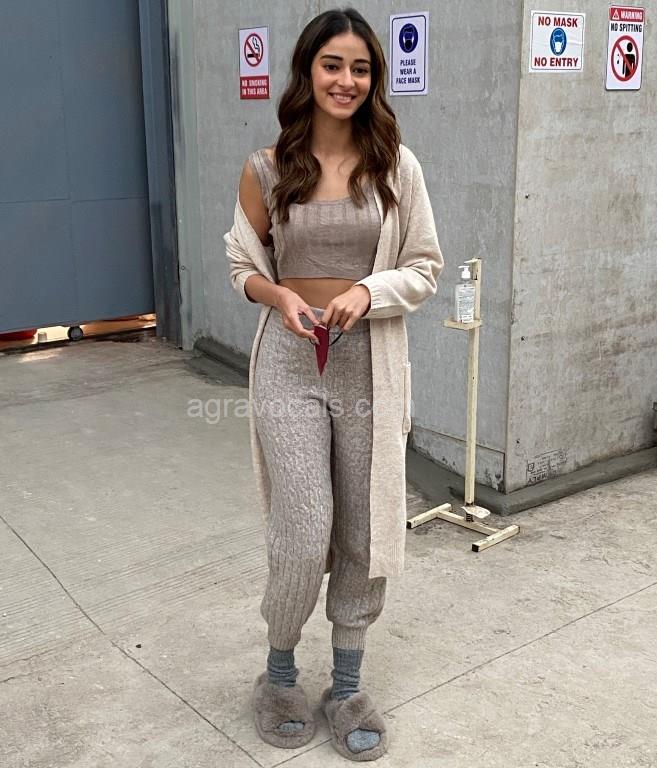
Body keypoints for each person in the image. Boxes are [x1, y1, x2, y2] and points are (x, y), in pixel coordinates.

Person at [224, 7, 443, 761]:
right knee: (303, 525)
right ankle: (279, 672)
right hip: (289, 364)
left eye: (360, 68)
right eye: (331, 65)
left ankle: (345, 685)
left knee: (362, 525)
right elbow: (241, 263)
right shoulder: (266, 168)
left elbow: (424, 267)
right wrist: (278, 295)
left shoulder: (397, 168)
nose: (345, 80)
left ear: (373, 79)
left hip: (369, 363)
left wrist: (368, 291)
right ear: (307, 72)